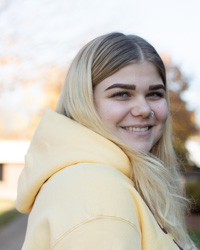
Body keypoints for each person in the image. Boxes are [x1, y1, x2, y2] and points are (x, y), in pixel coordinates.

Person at [16, 32, 197, 249]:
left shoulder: (101, 179)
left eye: (155, 94)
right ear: (84, 102)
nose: (144, 110)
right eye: (121, 94)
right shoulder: (95, 190)